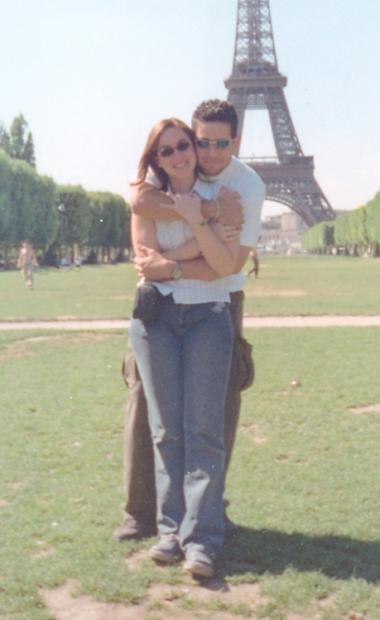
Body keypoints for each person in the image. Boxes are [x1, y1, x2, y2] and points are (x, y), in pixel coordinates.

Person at [114, 100, 265, 547]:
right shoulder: (162, 184)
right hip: (160, 305)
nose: (210, 152)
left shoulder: (244, 186)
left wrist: (173, 263)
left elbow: (227, 264)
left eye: (221, 143)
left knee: (216, 407)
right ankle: (142, 514)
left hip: (219, 294)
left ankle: (205, 511)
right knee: (149, 404)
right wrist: (198, 215)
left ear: (236, 142)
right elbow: (139, 201)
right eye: (202, 142)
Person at [129, 117, 241, 577]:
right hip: (156, 320)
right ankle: (170, 531)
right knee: (166, 431)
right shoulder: (145, 202)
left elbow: (223, 267)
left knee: (205, 432)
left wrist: (191, 229)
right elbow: (144, 264)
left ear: (195, 149)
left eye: (183, 146)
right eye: (166, 151)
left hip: (208, 319)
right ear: (156, 159)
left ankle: (203, 540)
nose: (177, 155)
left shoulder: (226, 200)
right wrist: (195, 242)